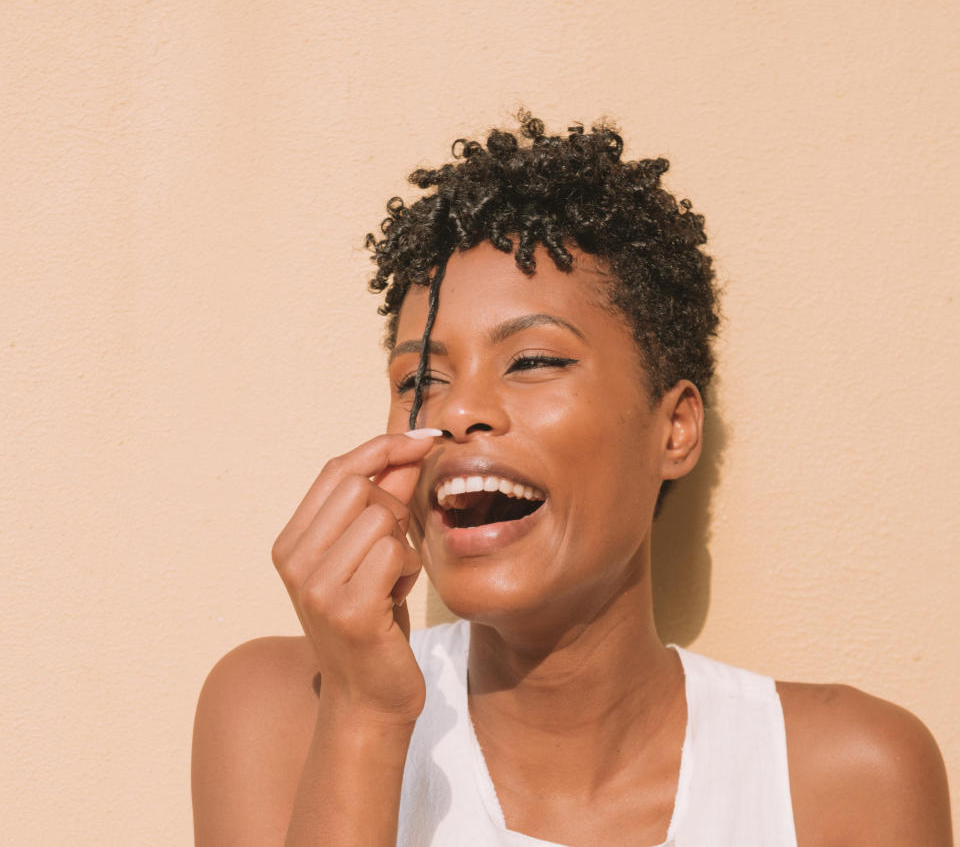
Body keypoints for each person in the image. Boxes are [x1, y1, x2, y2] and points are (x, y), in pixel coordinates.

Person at [191, 115, 952, 846]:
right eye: (421, 376)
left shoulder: (848, 777)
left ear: (676, 428)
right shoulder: (288, 711)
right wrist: (364, 715)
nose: (460, 410)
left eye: (532, 361)